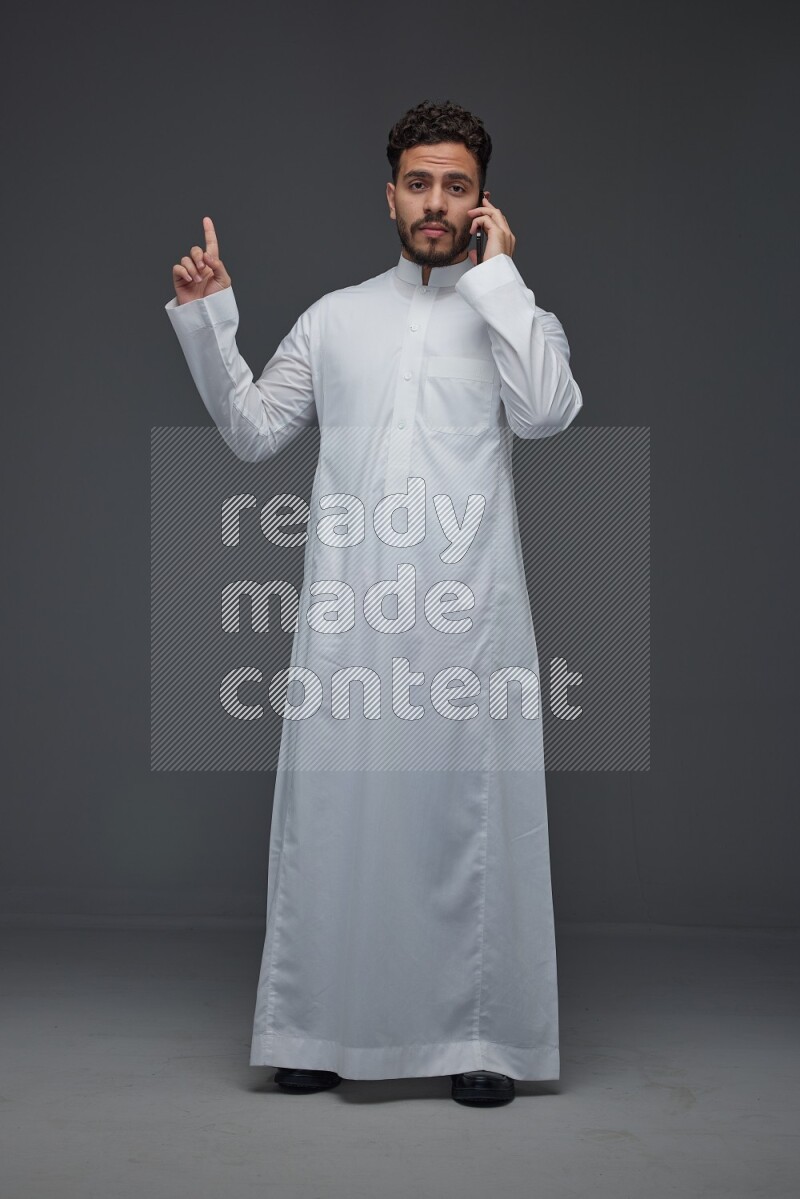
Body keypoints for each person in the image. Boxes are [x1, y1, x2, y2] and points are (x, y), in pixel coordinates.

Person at [164, 99, 583, 1107]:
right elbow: (256, 430)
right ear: (388, 192)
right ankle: (313, 1028)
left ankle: (483, 1035)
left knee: (466, 821)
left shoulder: (510, 314)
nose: (434, 203)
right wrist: (213, 320)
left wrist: (499, 280)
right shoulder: (336, 315)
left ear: (482, 200)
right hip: (349, 619)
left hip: (467, 620)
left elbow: (549, 411)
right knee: (334, 819)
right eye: (416, 182)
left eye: (455, 185)